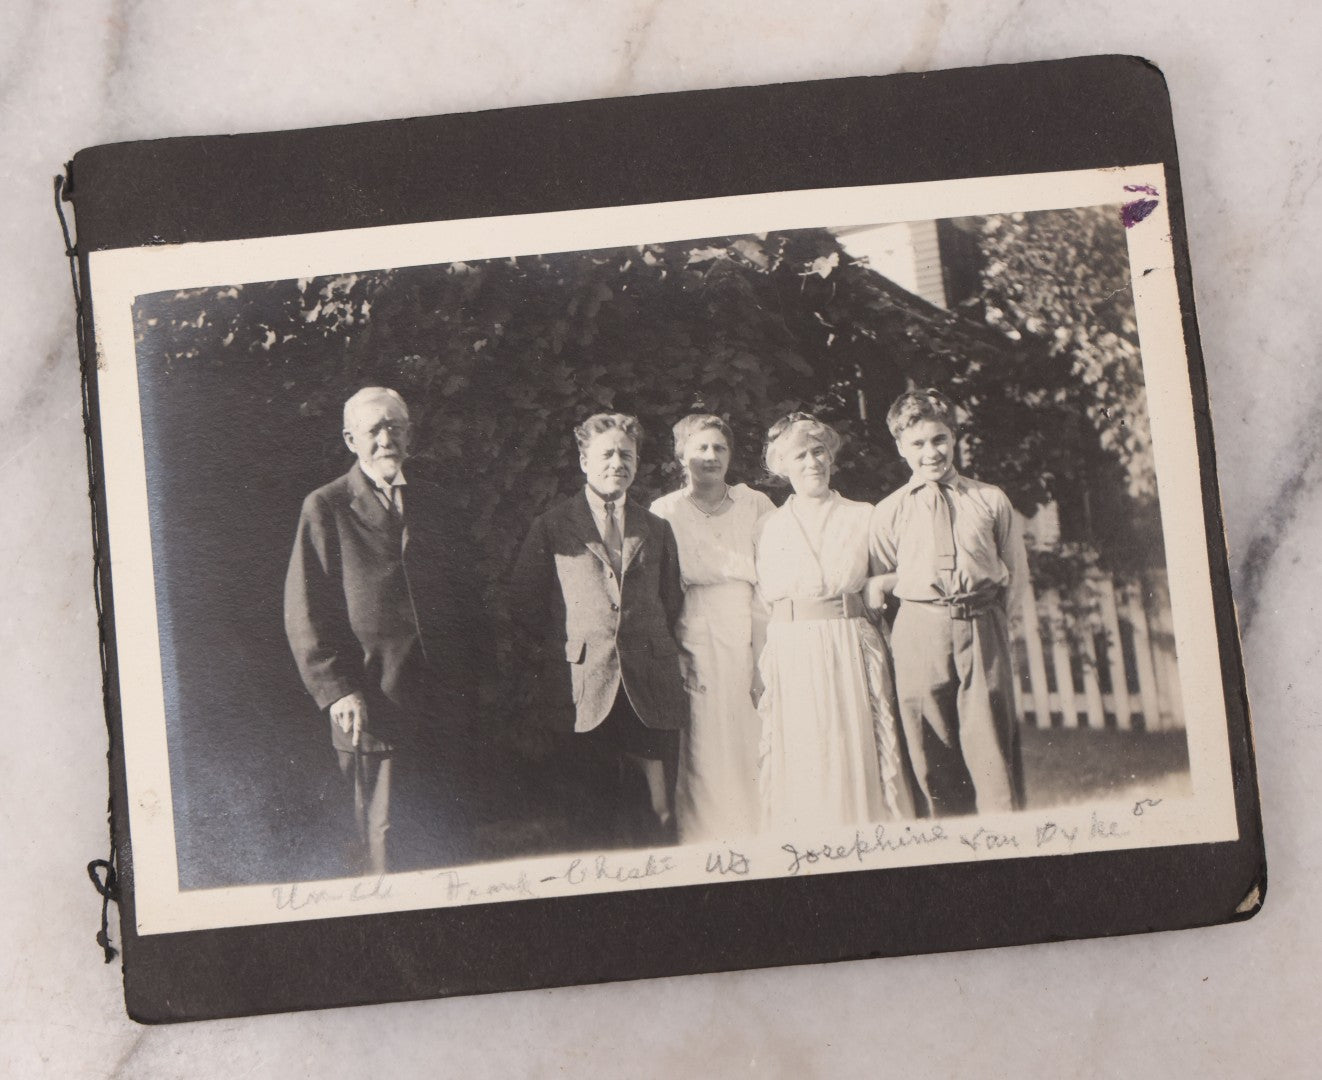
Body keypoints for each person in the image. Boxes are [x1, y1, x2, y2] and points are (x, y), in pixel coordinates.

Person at [284, 386, 477, 875]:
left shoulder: (434, 501)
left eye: (395, 427)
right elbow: (306, 610)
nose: (386, 438)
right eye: (374, 430)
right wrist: (338, 690)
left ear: (409, 434)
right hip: (373, 701)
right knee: (386, 838)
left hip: (441, 698)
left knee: (449, 831)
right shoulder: (326, 507)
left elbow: (465, 592)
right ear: (351, 439)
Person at [508, 412, 689, 850]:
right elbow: (525, 604)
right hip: (583, 689)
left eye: (626, 455)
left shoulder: (657, 528)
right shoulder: (552, 526)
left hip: (649, 686)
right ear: (584, 460)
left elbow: (670, 601)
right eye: (606, 453)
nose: (617, 463)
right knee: (590, 822)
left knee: (656, 817)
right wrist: (571, 651)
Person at [868, 388, 1029, 816]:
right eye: (917, 444)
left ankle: (1007, 844)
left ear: (954, 438)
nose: (931, 452)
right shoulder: (889, 511)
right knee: (929, 744)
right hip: (920, 629)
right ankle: (946, 846)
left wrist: (996, 625)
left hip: (981, 623)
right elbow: (882, 574)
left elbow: (1016, 573)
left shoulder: (989, 499)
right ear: (901, 448)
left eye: (939, 439)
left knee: (992, 743)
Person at [753, 413, 913, 832]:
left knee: (852, 748)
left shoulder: (864, 515)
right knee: (805, 756)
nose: (812, 462)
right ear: (782, 466)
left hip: (849, 644)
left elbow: (896, 574)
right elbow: (759, 605)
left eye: (819, 451)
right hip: (792, 652)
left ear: (832, 456)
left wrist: (881, 583)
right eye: (800, 455)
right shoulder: (767, 526)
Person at [650, 414, 775, 843]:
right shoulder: (665, 511)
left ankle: (764, 836)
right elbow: (660, 592)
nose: (710, 456)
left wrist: (763, 657)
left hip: (750, 630)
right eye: (700, 447)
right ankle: (707, 844)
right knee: (703, 744)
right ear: (681, 454)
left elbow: (774, 577)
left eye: (719, 448)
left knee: (753, 735)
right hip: (694, 638)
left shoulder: (755, 504)